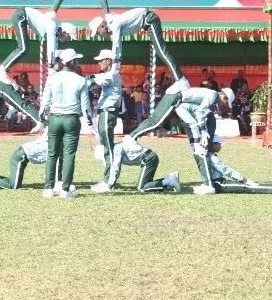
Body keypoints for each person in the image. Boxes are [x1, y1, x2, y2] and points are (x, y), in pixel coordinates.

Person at [39, 48, 91, 199]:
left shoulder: (52, 78)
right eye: (77, 60)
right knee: (68, 155)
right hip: (71, 119)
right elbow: (85, 105)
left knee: (52, 153)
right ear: (73, 62)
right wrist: (89, 120)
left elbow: (45, 101)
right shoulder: (81, 80)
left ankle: (48, 188)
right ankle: (65, 189)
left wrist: (42, 116)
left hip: (54, 117)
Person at [88, 8, 184, 82]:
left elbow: (116, 46)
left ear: (102, 26)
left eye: (98, 32)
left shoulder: (114, 24)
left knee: (161, 51)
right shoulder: (111, 27)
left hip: (149, 19)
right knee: (161, 51)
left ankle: (180, 79)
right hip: (148, 22)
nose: (99, 35)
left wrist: (114, 68)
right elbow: (118, 49)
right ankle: (179, 79)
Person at [191, 135, 272, 195]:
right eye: (219, 144)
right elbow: (227, 170)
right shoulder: (212, 157)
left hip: (220, 181)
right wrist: (243, 179)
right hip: (218, 184)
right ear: (213, 145)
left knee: (248, 186)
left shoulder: (210, 155)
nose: (220, 146)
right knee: (246, 187)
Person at [0, 8, 76, 80]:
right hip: (21, 16)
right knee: (23, 49)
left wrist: (54, 66)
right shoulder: (52, 26)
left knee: (24, 49)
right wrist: (51, 67)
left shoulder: (55, 31)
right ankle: (1, 70)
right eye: (69, 37)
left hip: (23, 17)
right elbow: (51, 48)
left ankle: (3, 70)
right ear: (65, 32)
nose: (68, 40)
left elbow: (54, 50)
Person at [0, 131, 68, 191]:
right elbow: (55, 165)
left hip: (23, 156)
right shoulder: (55, 144)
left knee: (15, 182)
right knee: (14, 186)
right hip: (20, 156)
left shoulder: (53, 136)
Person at [89, 48, 123, 193]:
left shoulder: (112, 73)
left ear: (108, 61)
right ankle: (108, 179)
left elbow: (99, 81)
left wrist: (89, 78)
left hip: (108, 111)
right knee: (106, 145)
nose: (99, 64)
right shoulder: (110, 73)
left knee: (108, 146)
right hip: (105, 112)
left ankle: (108, 181)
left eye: (101, 61)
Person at [103, 137, 180, 193]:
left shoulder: (116, 150)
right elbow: (117, 169)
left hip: (148, 159)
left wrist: (109, 185)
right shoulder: (117, 147)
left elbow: (115, 168)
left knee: (142, 188)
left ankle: (170, 181)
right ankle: (169, 178)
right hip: (150, 157)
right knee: (146, 183)